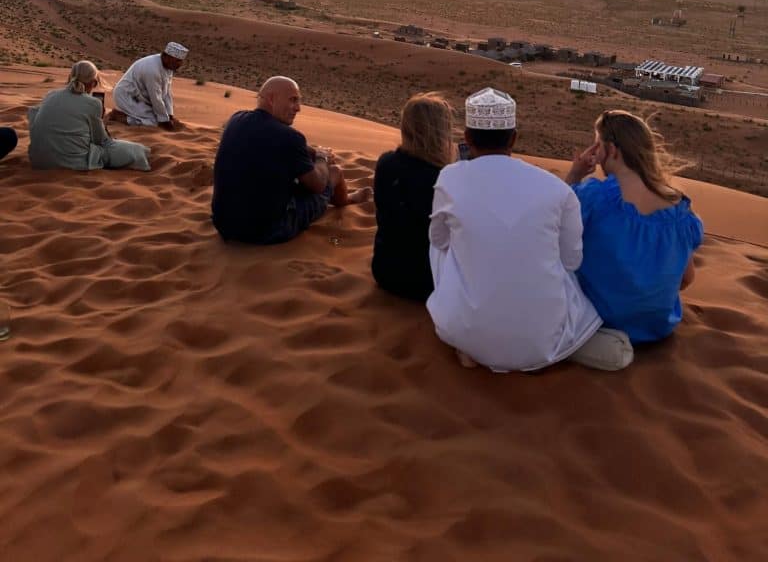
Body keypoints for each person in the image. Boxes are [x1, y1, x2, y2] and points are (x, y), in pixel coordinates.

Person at [427, 88, 633, 372]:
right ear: (514, 138)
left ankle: (471, 341)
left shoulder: (449, 178)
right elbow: (572, 261)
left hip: (464, 331)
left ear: (467, 138)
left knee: (438, 245)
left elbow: (438, 240)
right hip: (541, 344)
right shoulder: (556, 189)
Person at [566, 110, 704, 344]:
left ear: (612, 150)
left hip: (600, 321)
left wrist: (574, 176)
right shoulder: (680, 210)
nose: (596, 154)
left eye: (598, 146)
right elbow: (686, 279)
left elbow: (555, 219)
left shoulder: (593, 197)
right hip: (658, 327)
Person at [211, 76, 372, 245]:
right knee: (334, 173)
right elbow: (317, 184)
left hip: (225, 226)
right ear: (272, 99)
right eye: (293, 100)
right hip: (266, 231)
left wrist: (315, 152)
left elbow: (282, 144)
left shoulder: (236, 119)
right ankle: (346, 200)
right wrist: (322, 158)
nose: (298, 108)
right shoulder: (290, 138)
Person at [372, 93, 454, 301]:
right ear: (441, 131)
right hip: (430, 281)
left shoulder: (385, 163)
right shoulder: (443, 178)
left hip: (385, 272)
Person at [28, 61, 151, 171]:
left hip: (38, 161)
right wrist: (103, 120)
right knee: (136, 150)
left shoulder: (50, 95)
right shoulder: (92, 103)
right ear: (93, 82)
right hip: (72, 163)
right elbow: (101, 141)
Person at [110, 42, 188, 128]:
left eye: (181, 61)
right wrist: (164, 120)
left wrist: (169, 114)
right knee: (153, 123)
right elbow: (156, 97)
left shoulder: (168, 67)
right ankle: (119, 117)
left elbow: (167, 92)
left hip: (141, 98)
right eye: (177, 61)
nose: (179, 64)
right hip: (127, 96)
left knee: (159, 118)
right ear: (167, 56)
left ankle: (126, 113)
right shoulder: (152, 69)